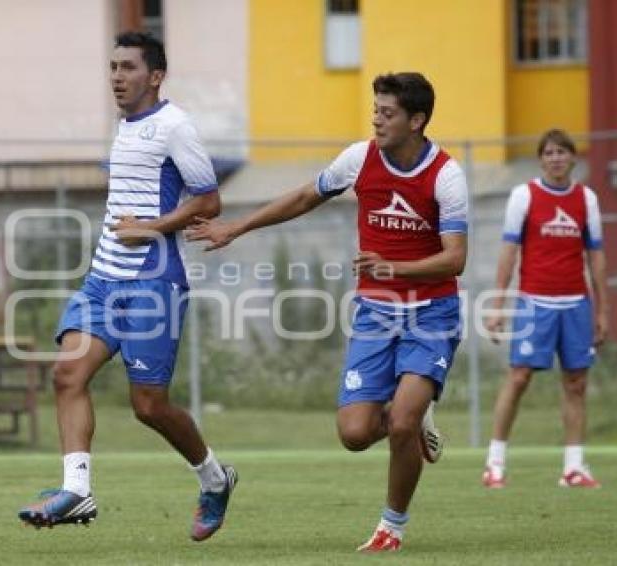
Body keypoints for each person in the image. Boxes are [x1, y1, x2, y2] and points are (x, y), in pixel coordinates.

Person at [187, 72, 466, 552]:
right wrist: (236, 227)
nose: (376, 119)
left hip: (431, 314)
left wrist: (391, 266)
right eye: (375, 109)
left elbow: (455, 258)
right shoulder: (359, 159)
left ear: (417, 121)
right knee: (355, 434)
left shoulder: (446, 175)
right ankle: (413, 418)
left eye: (388, 113)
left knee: (399, 421)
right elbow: (302, 197)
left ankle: (390, 527)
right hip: (375, 315)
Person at [17, 32, 236, 542]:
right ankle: (76, 490)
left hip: (153, 281)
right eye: (113, 67)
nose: (116, 76)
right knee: (67, 375)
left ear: (155, 76)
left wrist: (152, 227)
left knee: (149, 407)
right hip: (103, 277)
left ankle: (215, 478)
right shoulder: (126, 124)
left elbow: (209, 202)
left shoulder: (175, 126)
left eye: (128, 67)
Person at [482, 129, 607, 489]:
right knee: (519, 378)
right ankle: (495, 463)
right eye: (549, 152)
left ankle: (574, 468)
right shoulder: (523, 196)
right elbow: (508, 253)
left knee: (576, 383)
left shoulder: (587, 199)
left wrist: (602, 312)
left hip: (576, 305)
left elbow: (596, 257)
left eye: (562, 151)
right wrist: (498, 304)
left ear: (573, 158)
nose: (556, 158)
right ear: (541, 159)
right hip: (534, 303)